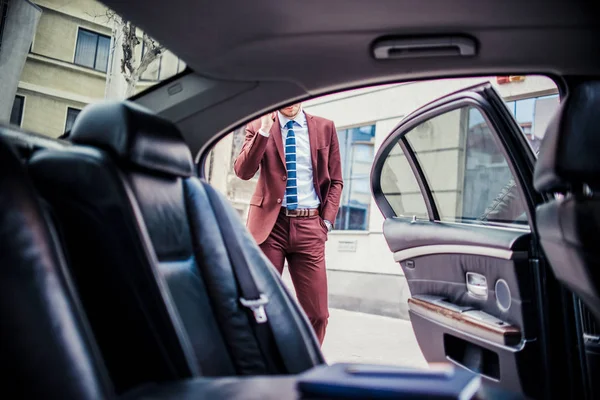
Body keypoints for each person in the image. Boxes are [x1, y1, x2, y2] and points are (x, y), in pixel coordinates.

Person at [234, 103, 343, 345]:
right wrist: (263, 130)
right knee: (264, 305)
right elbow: (243, 171)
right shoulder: (257, 126)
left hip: (310, 226)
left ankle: (306, 365)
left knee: (317, 314)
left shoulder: (325, 127)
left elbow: (336, 180)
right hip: (270, 227)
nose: (291, 102)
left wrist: (326, 222)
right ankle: (267, 365)